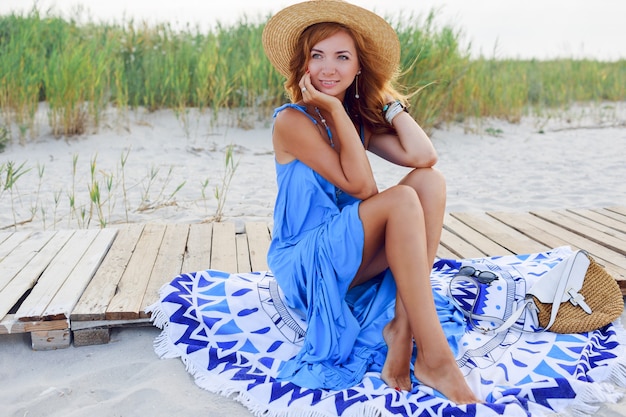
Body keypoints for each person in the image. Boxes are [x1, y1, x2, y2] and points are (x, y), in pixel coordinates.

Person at [262, 0, 479, 404]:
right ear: (303, 65)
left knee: (428, 184)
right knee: (399, 201)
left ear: (358, 68)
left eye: (342, 57)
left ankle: (402, 324)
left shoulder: (354, 121)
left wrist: (386, 101)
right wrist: (329, 107)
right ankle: (436, 359)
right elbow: (362, 188)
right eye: (317, 56)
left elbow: (423, 156)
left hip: (348, 252)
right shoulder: (291, 121)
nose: (329, 68)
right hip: (307, 263)